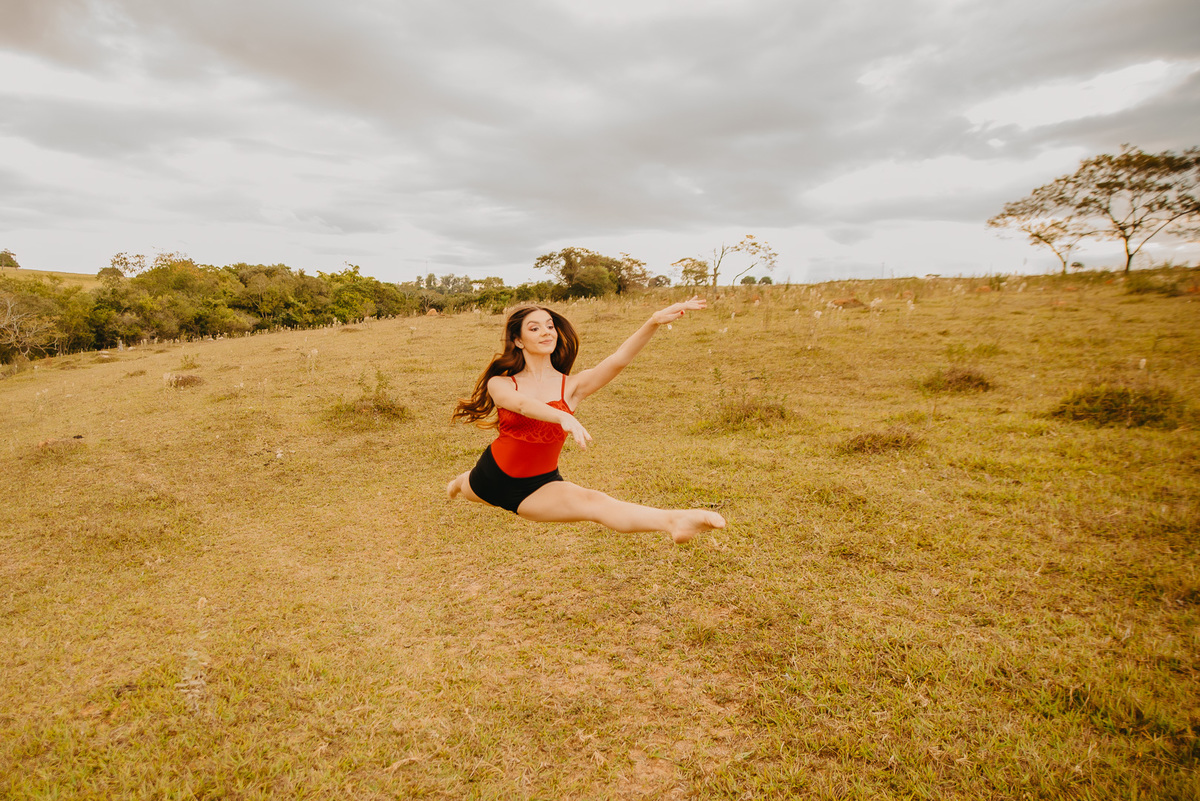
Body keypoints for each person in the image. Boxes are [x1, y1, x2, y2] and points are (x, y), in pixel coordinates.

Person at [447, 298, 726, 544]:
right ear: (518, 341)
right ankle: (458, 483)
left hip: (538, 488)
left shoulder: (573, 387)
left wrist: (653, 321)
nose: (545, 332)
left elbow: (618, 360)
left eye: (549, 326)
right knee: (463, 486)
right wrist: (561, 415)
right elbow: (520, 404)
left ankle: (674, 521)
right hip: (490, 476)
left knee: (595, 502)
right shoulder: (502, 383)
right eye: (534, 328)